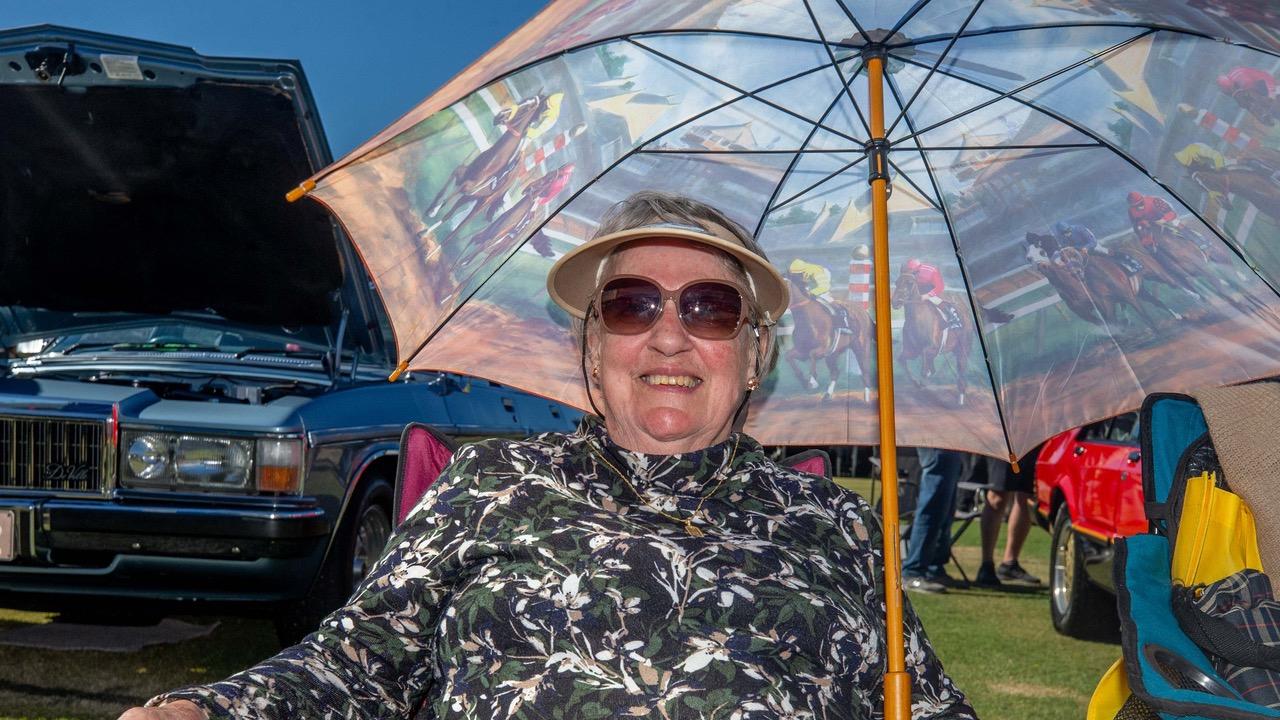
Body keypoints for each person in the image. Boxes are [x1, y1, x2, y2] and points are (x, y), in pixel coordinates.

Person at [121, 191, 974, 719]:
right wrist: (208, 708)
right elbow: (357, 662)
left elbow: (930, 706)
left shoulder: (836, 527)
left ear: (755, 354)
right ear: (591, 348)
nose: (670, 335)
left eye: (710, 308)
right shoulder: (490, 487)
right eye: (633, 305)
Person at [975, 446, 1044, 589]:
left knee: (1026, 497)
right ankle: (986, 565)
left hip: (1031, 441)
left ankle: (1009, 564)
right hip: (1004, 439)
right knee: (997, 497)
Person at [902, 447, 967, 593]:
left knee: (944, 510)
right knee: (933, 508)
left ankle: (933, 569)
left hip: (948, 442)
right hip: (938, 442)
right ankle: (913, 571)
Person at [787, 256, 852, 331]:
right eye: (794, 275)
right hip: (811, 285)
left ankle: (843, 322)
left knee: (828, 301)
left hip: (821, 284)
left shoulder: (817, 272)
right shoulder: (796, 274)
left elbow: (824, 287)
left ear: (804, 271)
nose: (796, 277)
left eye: (798, 274)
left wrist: (811, 293)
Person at [904, 258, 963, 330]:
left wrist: (927, 295)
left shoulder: (932, 271)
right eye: (910, 271)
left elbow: (940, 287)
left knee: (936, 300)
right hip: (919, 289)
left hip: (933, 289)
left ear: (919, 268)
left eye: (914, 271)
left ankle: (953, 318)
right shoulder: (909, 271)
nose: (912, 273)